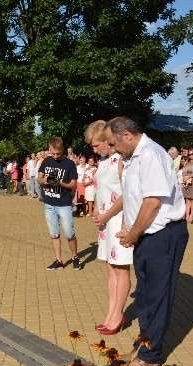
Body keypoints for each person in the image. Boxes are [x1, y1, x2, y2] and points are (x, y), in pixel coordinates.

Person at [104, 116, 188, 366]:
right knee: (146, 296)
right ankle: (143, 347)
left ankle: (150, 356)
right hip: (147, 235)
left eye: (113, 143)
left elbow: (152, 202)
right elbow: (134, 198)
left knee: (156, 297)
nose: (112, 149)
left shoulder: (151, 154)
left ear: (127, 135)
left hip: (162, 235)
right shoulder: (133, 158)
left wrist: (132, 234)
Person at [86, 120, 133, 336]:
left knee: (121, 268)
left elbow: (128, 193)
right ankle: (110, 313)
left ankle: (118, 315)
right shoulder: (103, 162)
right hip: (105, 221)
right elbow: (100, 189)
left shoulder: (121, 160)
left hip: (119, 220)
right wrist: (96, 209)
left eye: (96, 145)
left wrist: (106, 214)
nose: (94, 150)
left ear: (107, 140)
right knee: (111, 269)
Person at [37, 137, 81, 271]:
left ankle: (74, 257)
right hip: (49, 203)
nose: (56, 156)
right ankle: (58, 260)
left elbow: (73, 184)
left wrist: (59, 183)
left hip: (64, 204)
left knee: (69, 233)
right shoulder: (46, 161)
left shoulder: (69, 164)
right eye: (53, 153)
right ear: (49, 149)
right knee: (54, 234)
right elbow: (39, 179)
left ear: (63, 149)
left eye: (59, 153)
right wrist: (44, 181)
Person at [181, 149, 193, 223]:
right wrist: (184, 178)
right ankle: (187, 215)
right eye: (189, 154)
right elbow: (184, 171)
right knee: (187, 199)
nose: (191, 156)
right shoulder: (186, 163)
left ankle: (191, 215)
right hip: (187, 182)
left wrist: (189, 176)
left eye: (192, 154)